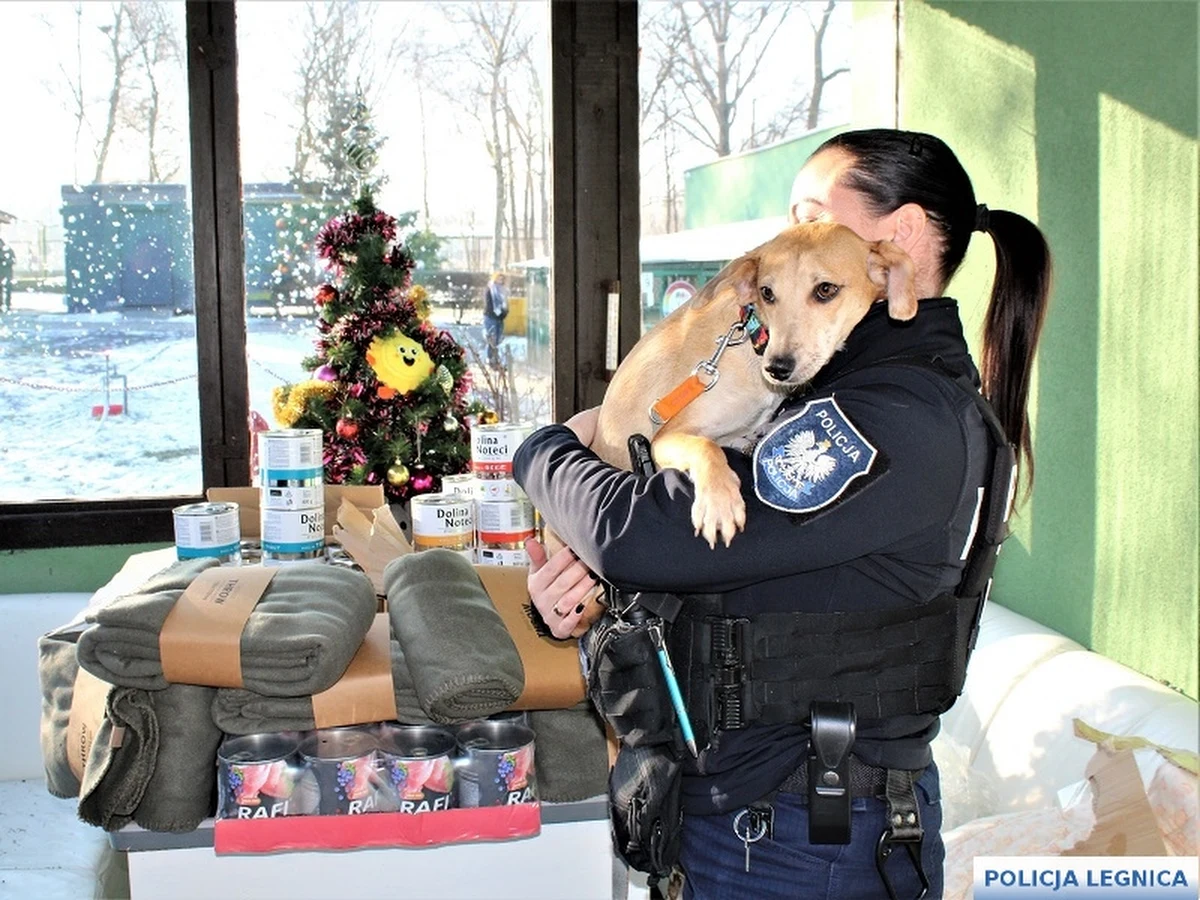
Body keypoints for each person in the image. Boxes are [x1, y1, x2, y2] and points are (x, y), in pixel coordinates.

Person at [513, 128, 1052, 900]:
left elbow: (636, 534)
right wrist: (587, 584)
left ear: (894, 240)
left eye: (810, 215)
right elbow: (713, 561)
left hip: (802, 833)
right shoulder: (822, 395)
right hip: (760, 812)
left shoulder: (893, 416)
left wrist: (544, 452)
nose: (787, 239)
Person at [482, 271, 508, 367]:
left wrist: (503, 313)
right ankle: (490, 358)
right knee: (492, 338)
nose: (500, 280)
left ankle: (496, 358)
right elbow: (489, 304)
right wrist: (496, 313)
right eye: (499, 278)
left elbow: (505, 304)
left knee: (498, 339)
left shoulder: (502, 290)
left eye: (502, 279)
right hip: (491, 316)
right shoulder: (490, 289)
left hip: (500, 318)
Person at [0, 236, 15, 312]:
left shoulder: (9, 251)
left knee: (8, 290)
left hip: (7, 274)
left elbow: (13, 261)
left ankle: (8, 305)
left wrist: (5, 261)